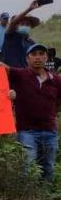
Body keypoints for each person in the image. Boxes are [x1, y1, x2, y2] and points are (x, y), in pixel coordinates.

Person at [7, 43, 61, 182]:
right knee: (28, 167)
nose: (38, 57)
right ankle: (28, 198)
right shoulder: (19, 75)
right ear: (27, 58)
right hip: (27, 131)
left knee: (48, 167)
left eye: (41, 54)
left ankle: (45, 198)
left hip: (50, 132)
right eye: (34, 54)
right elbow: (0, 67)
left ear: (47, 58)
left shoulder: (56, 80)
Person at [1, 1, 42, 68]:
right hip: (9, 72)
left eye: (27, 24)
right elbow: (13, 23)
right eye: (22, 24)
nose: (25, 26)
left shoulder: (31, 43)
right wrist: (29, 9)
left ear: (30, 27)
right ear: (17, 26)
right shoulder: (10, 35)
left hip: (24, 73)